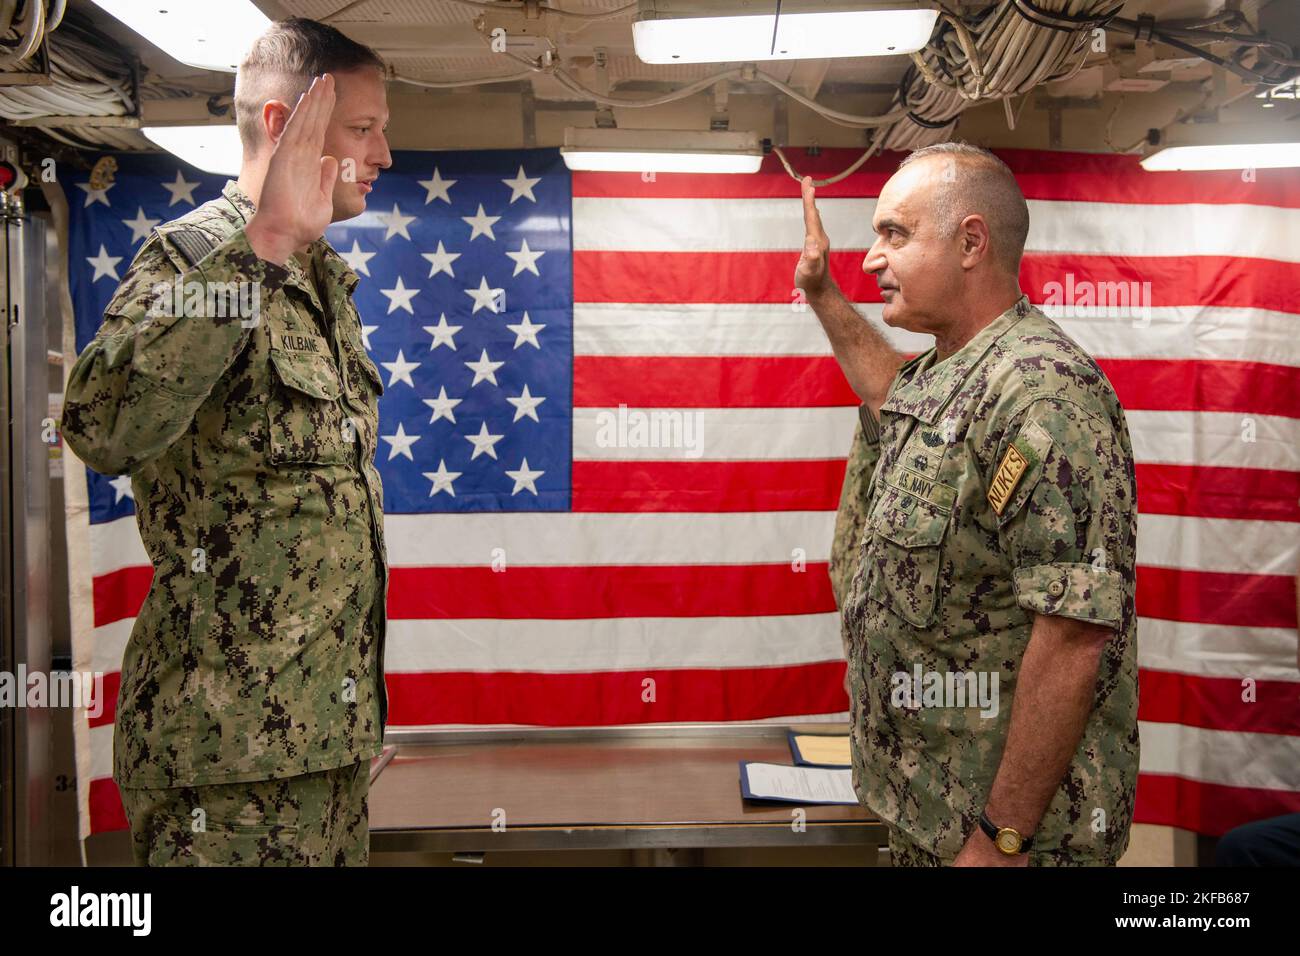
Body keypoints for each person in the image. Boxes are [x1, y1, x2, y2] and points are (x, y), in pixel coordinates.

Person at [60, 17, 393, 866]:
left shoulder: (323, 284)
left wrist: (343, 726)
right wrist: (266, 242)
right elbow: (101, 425)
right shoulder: (196, 258)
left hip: (318, 758)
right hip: (222, 773)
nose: (384, 155)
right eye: (363, 129)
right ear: (285, 126)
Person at [798, 142, 1139, 866]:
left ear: (971, 243)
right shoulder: (951, 368)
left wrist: (1001, 839)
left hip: (1012, 842)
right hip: (935, 817)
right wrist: (823, 296)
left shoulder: (1042, 393)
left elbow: (1074, 633)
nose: (870, 257)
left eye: (894, 234)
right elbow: (892, 392)